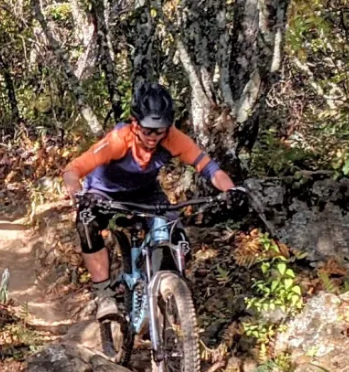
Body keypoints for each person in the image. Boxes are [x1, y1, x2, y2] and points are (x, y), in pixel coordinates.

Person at [60, 82, 245, 320]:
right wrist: (77, 194)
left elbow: (208, 167)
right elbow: (73, 169)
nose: (154, 137)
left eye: (161, 131)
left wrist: (231, 190)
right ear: (135, 123)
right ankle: (104, 294)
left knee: (178, 239)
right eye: (148, 130)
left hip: (146, 192)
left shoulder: (174, 139)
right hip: (105, 193)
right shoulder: (119, 140)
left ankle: (165, 291)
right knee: (87, 223)